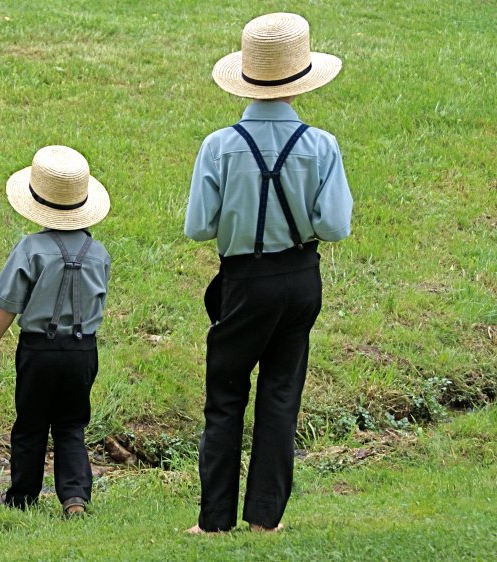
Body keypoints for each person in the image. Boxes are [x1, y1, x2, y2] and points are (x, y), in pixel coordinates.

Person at [183, 13, 353, 534]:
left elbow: (198, 227)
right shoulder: (321, 145)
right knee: (281, 396)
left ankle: (215, 520)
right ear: (301, 77)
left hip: (244, 279)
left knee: (226, 395)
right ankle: (265, 519)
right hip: (301, 277)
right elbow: (335, 225)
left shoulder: (218, 145)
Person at [0, 145, 111, 518]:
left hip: (39, 349)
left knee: (31, 425)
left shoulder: (31, 248)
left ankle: (22, 497)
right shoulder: (98, 253)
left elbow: (9, 302)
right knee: (72, 424)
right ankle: (74, 498)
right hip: (83, 350)